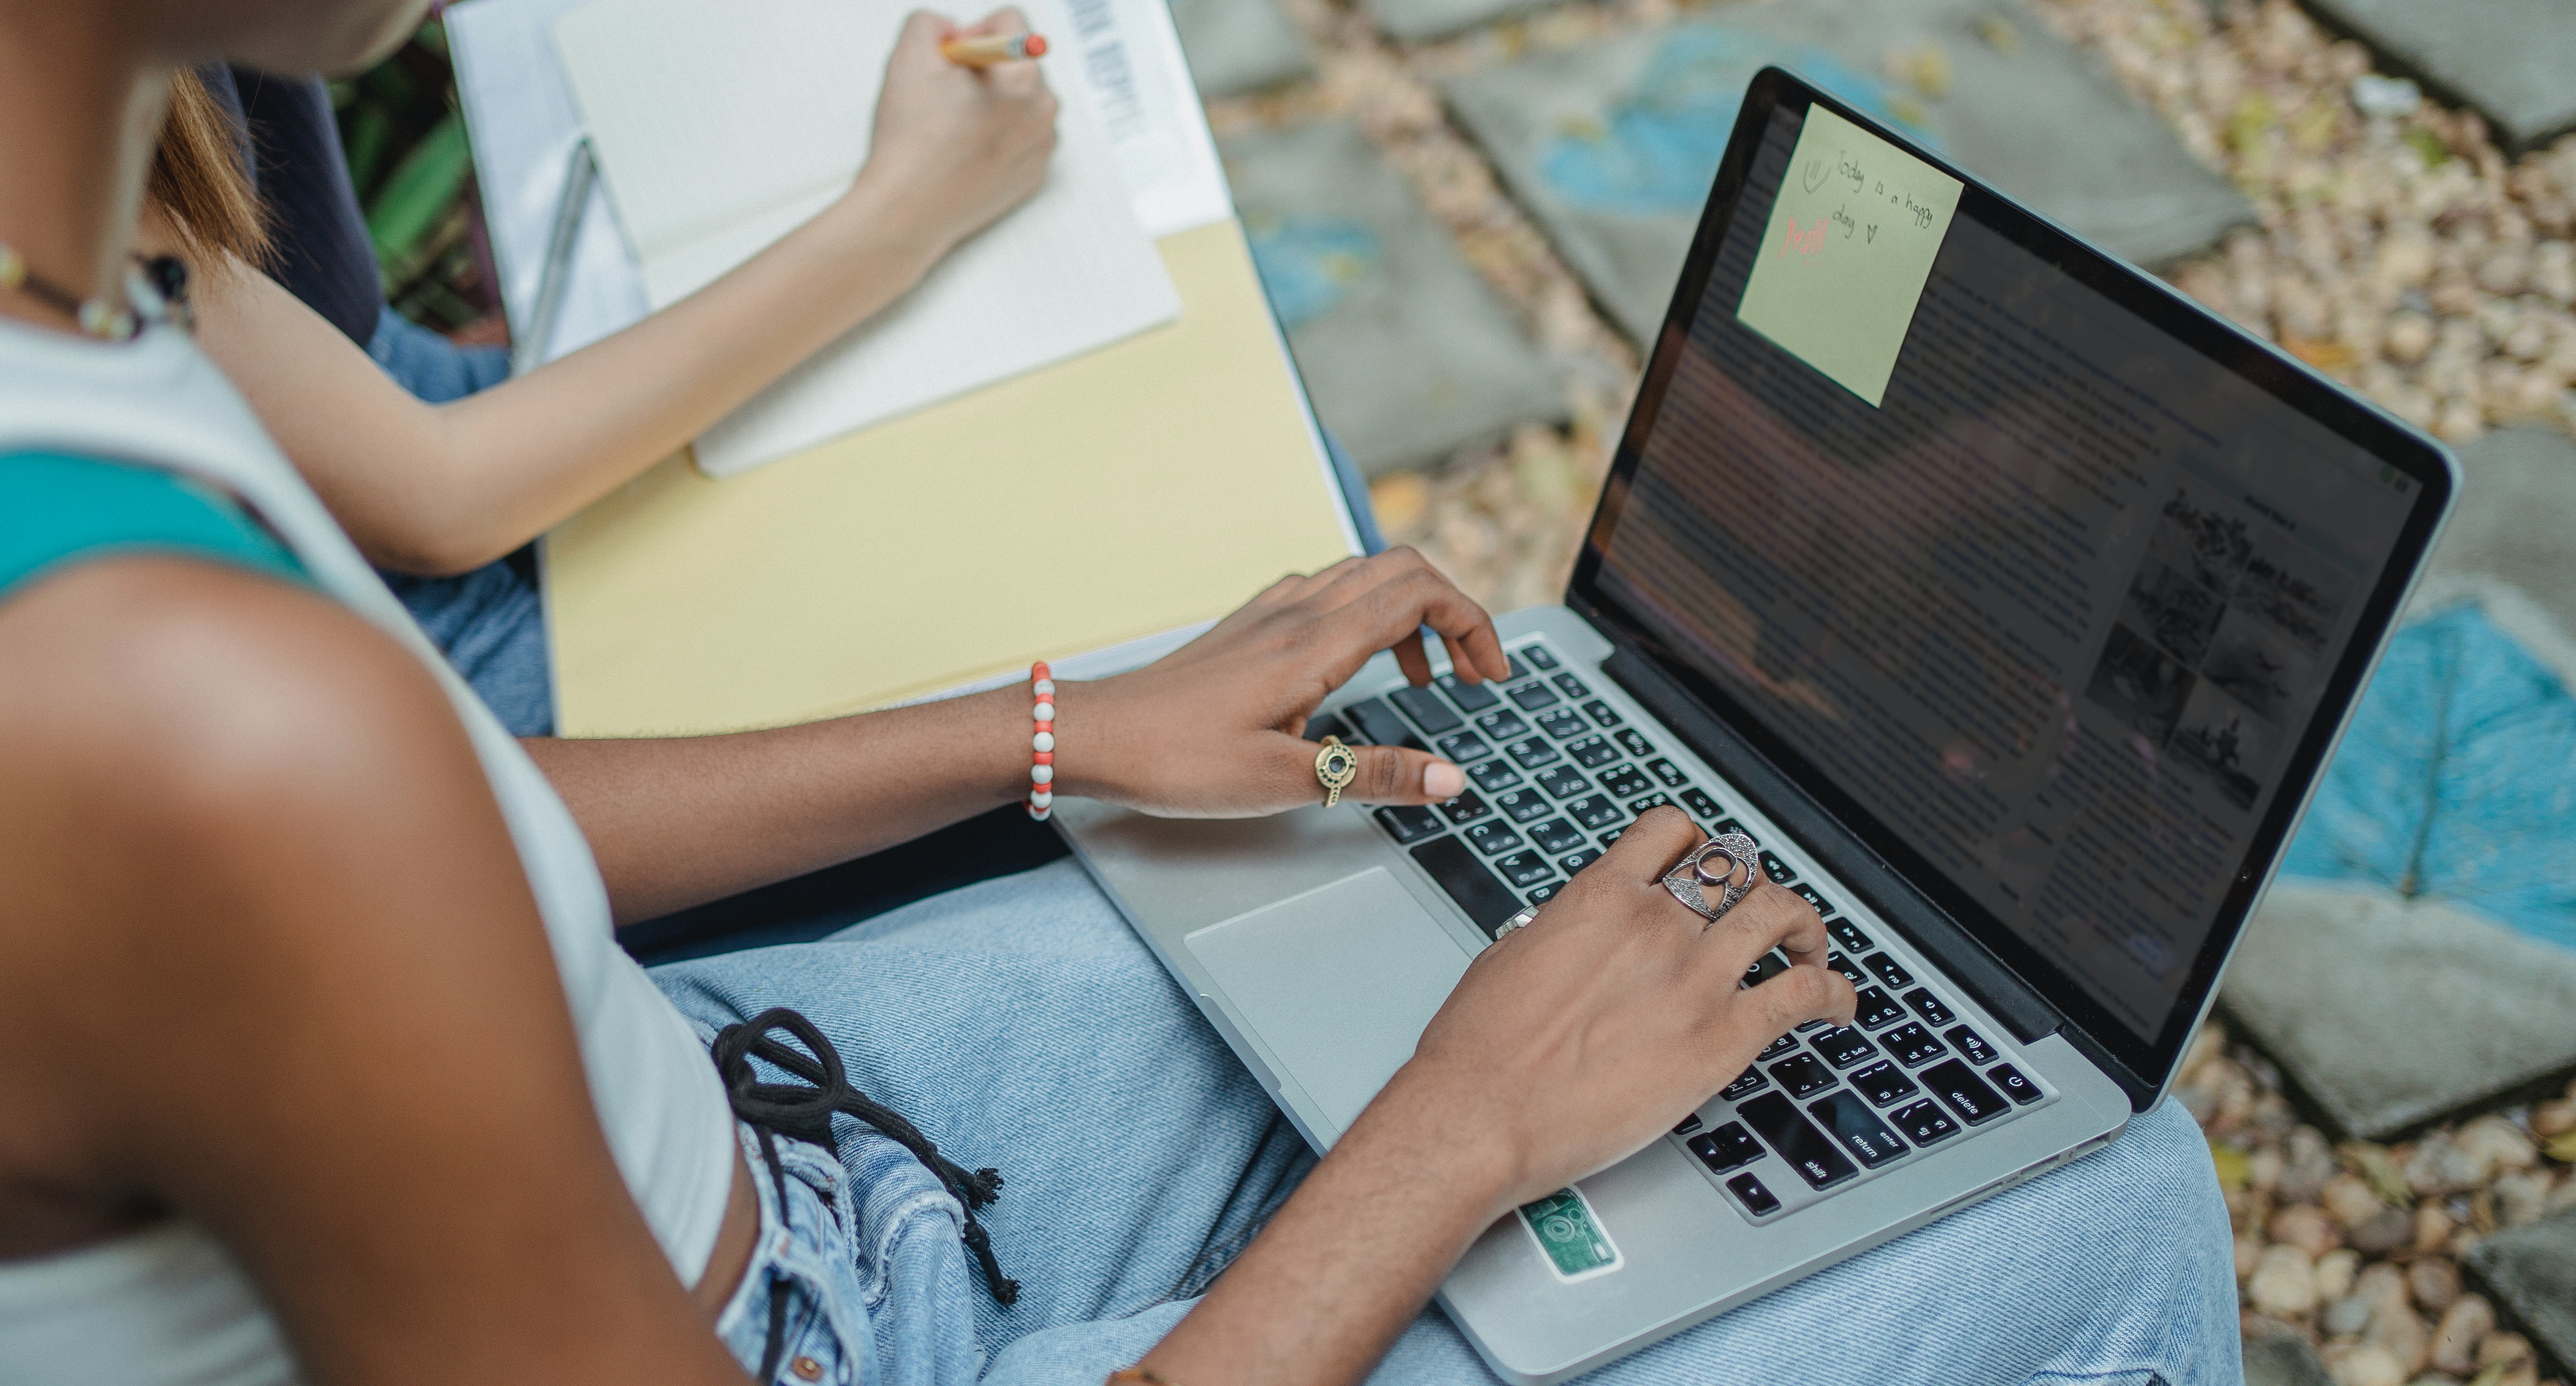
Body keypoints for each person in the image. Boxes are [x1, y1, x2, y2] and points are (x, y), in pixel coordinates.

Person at [0, 1, 2241, 1384]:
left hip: (755, 1120)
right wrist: (1454, 1132)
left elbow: (451, 815)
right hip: (792, 1327)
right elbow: (321, 825)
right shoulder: (181, 729)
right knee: (2113, 1197)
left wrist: (1055, 727)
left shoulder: (75, 316)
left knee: (1347, 820)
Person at [173, 47, 1384, 738]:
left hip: (375, 414)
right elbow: (436, 498)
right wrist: (909, 205)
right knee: (1265, 591)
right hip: (394, 632)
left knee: (1253, 473)